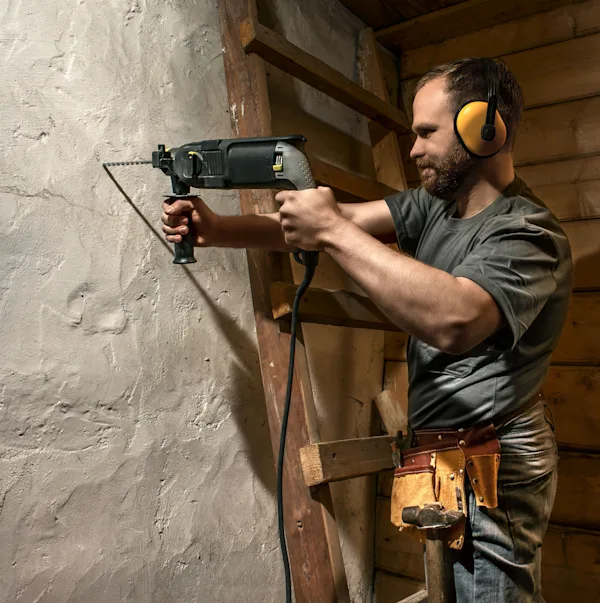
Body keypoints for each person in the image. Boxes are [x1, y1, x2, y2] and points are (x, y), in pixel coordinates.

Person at [161, 57, 573, 602]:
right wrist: (218, 230)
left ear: (484, 130)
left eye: (426, 132)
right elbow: (337, 223)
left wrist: (331, 229)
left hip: (493, 456)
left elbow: (455, 319)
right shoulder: (437, 206)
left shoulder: (528, 232)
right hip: (447, 452)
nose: (414, 149)